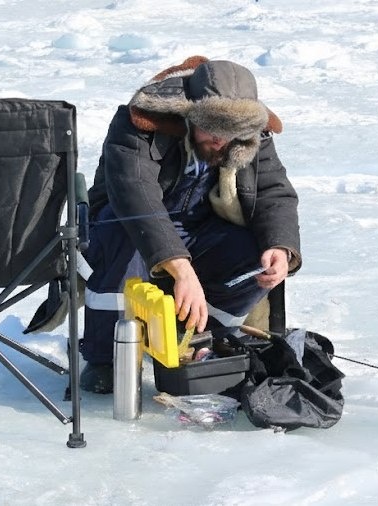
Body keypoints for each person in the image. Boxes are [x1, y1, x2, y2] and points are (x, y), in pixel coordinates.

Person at [79, 56, 302, 393]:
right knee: (125, 236)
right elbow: (135, 196)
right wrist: (181, 269)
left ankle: (203, 340)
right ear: (189, 114)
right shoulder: (140, 121)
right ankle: (105, 357)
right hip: (127, 224)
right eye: (212, 130)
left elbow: (274, 191)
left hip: (197, 228)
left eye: (230, 135)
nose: (220, 142)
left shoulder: (249, 134)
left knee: (254, 254)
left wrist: (280, 247)